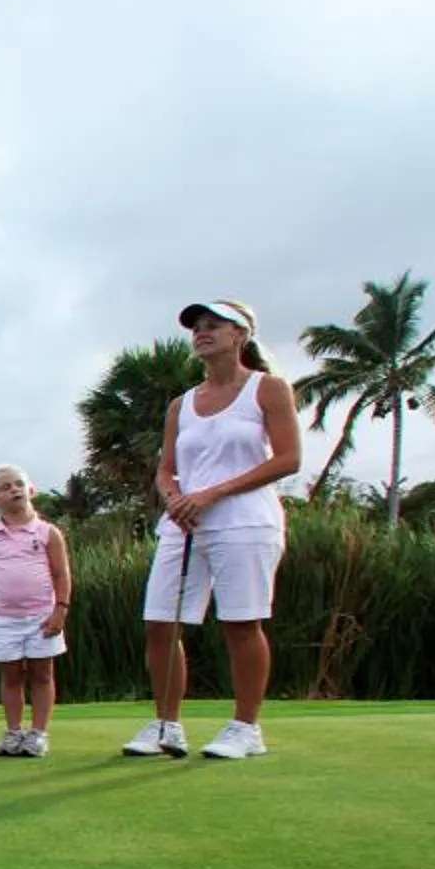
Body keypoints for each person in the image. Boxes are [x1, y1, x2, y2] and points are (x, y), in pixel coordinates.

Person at [126, 297, 304, 761]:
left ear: (239, 335)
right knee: (160, 624)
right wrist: (176, 498)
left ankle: (246, 728)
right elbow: (166, 470)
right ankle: (167, 726)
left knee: (241, 624)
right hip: (183, 524)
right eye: (196, 328)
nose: (201, 333)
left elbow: (287, 459)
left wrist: (210, 494)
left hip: (245, 521)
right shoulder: (181, 405)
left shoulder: (268, 389)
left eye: (212, 326)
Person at [0, 464, 70, 756]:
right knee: (11, 676)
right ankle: (14, 732)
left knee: (42, 674)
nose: (14, 490)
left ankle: (39, 734)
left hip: (42, 616)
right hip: (3, 619)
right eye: (5, 488)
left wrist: (61, 609)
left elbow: (61, 574)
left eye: (18, 484)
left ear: (31, 490)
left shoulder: (48, 532)